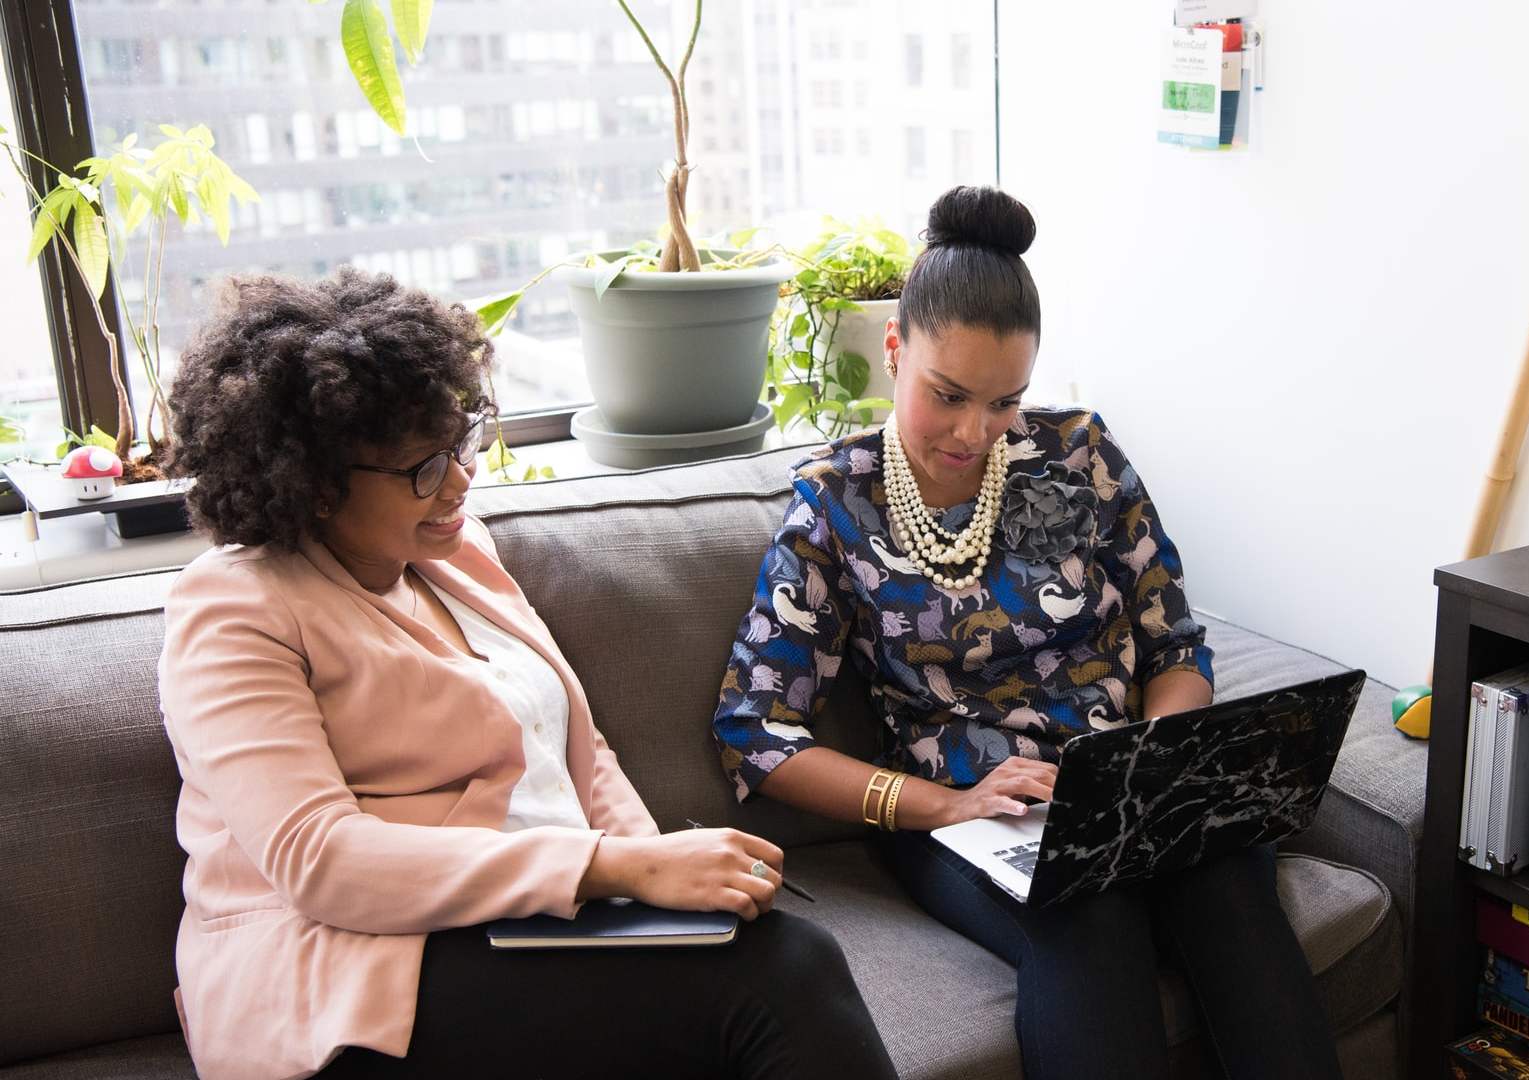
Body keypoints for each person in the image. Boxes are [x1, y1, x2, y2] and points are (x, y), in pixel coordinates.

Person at [159, 268, 897, 1080]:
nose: (461, 480)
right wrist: (616, 869)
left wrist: (659, 883)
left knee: (755, 956)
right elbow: (319, 859)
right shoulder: (235, 607)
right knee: (783, 973)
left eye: (461, 443)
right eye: (422, 468)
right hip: (344, 969)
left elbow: (576, 747)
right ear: (317, 482)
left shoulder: (457, 555)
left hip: (516, 926)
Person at [712, 187, 1343, 1080]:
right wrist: (948, 805)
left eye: (1005, 401)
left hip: (1124, 782)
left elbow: (1174, 644)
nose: (975, 432)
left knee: (1227, 884)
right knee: (1085, 912)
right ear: (894, 350)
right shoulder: (835, 502)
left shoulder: (1081, 454)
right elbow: (754, 732)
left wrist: (1154, 759)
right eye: (948, 395)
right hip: (964, 810)